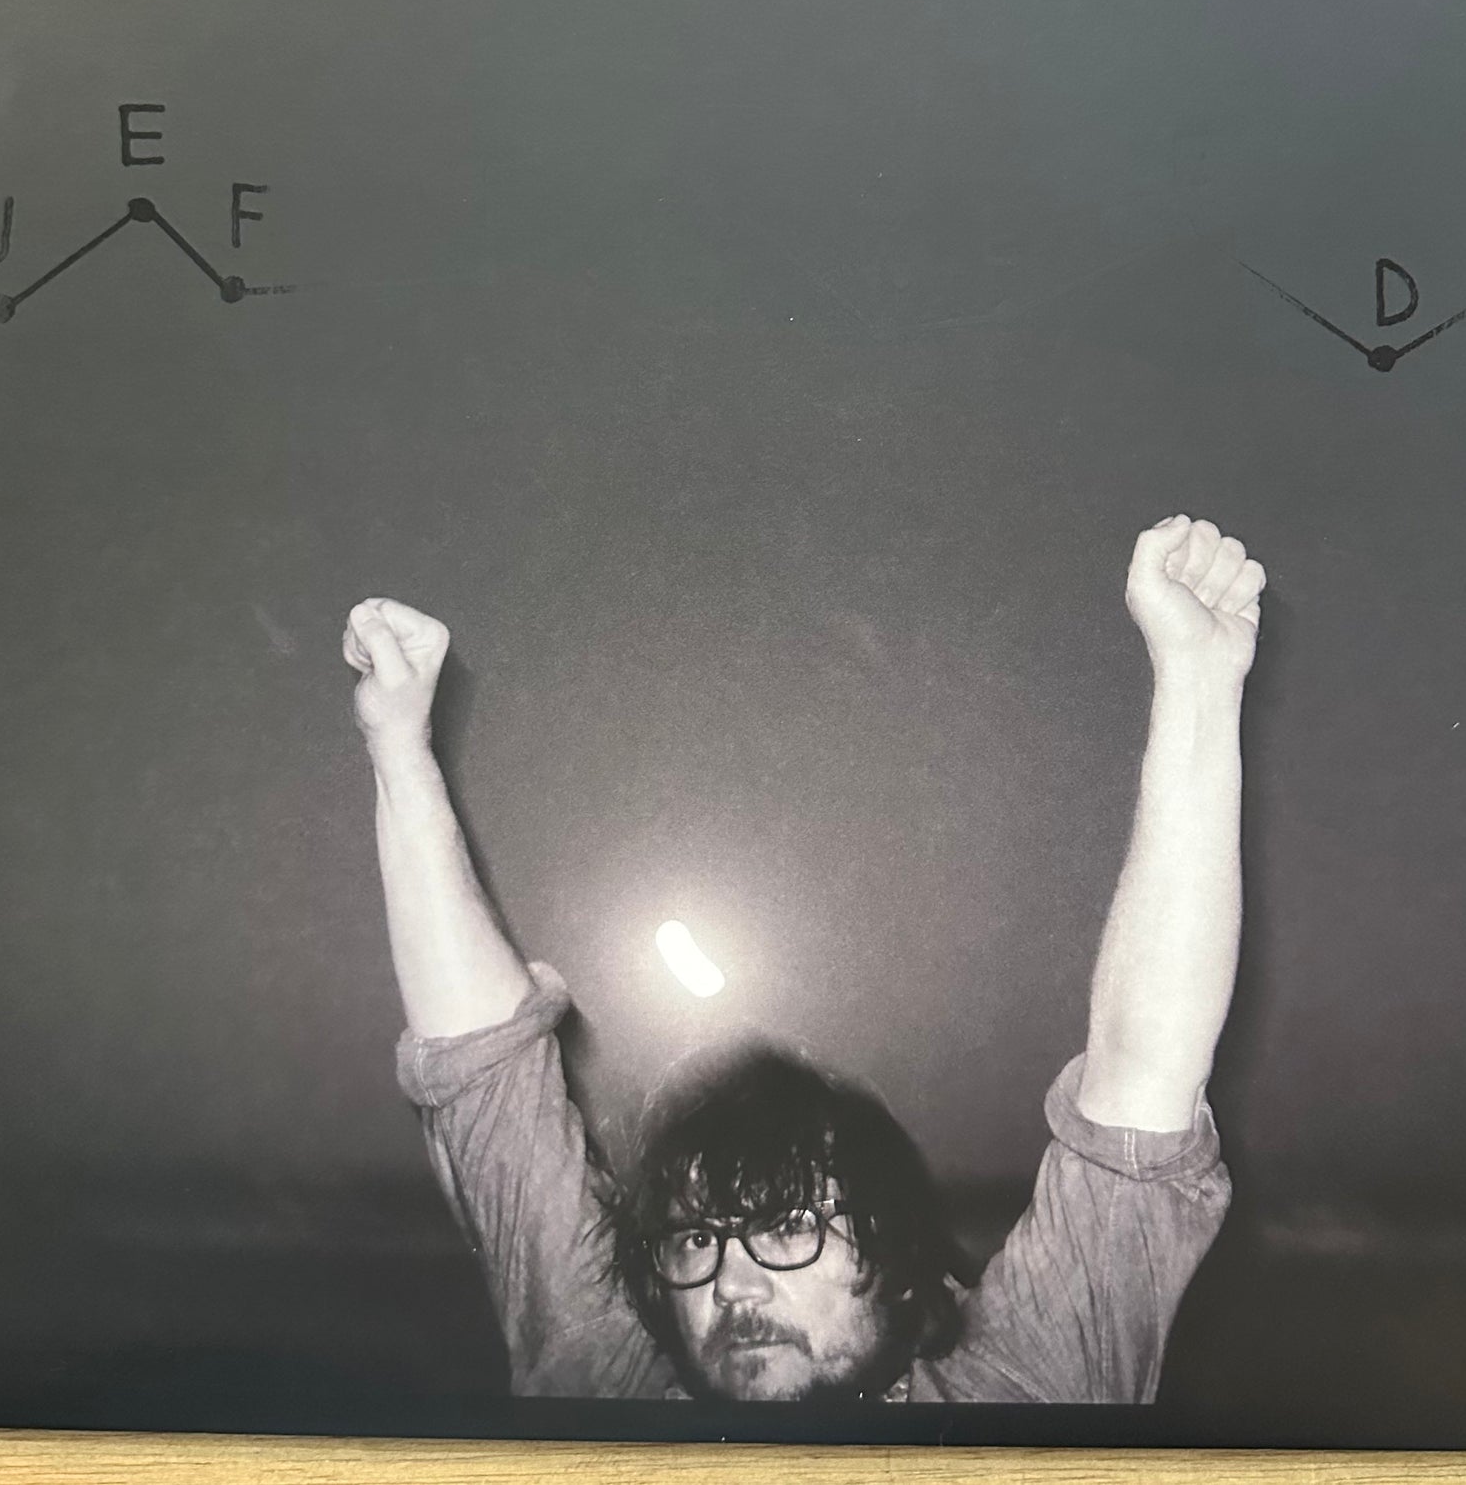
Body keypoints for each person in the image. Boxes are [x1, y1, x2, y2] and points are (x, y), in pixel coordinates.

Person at [344, 514, 1264, 1404]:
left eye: (787, 1226)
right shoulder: (609, 1388)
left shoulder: (1017, 1400)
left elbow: (1141, 1088)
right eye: (694, 1240)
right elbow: (485, 1076)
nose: (731, 1287)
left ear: (894, 1260)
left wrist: (1199, 678)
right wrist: (397, 748)